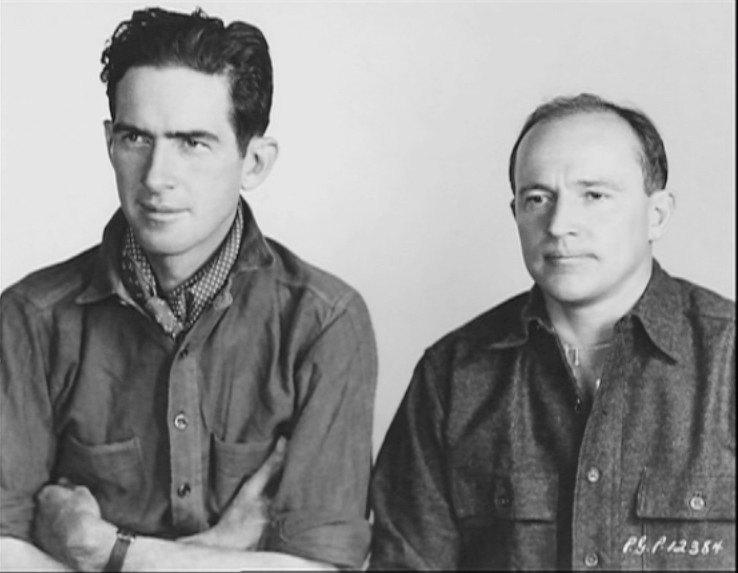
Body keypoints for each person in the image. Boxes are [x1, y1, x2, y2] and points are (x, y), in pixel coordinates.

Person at [0, 7, 377, 571]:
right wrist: (222, 551)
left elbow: (320, 568)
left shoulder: (323, 322)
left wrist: (105, 550)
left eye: (193, 143)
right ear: (109, 143)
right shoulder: (29, 317)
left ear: (254, 162)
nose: (156, 177)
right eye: (135, 138)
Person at [369, 93, 735, 570]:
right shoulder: (451, 377)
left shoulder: (728, 360)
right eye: (537, 199)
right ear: (516, 214)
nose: (560, 225)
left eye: (594, 196)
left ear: (657, 215)